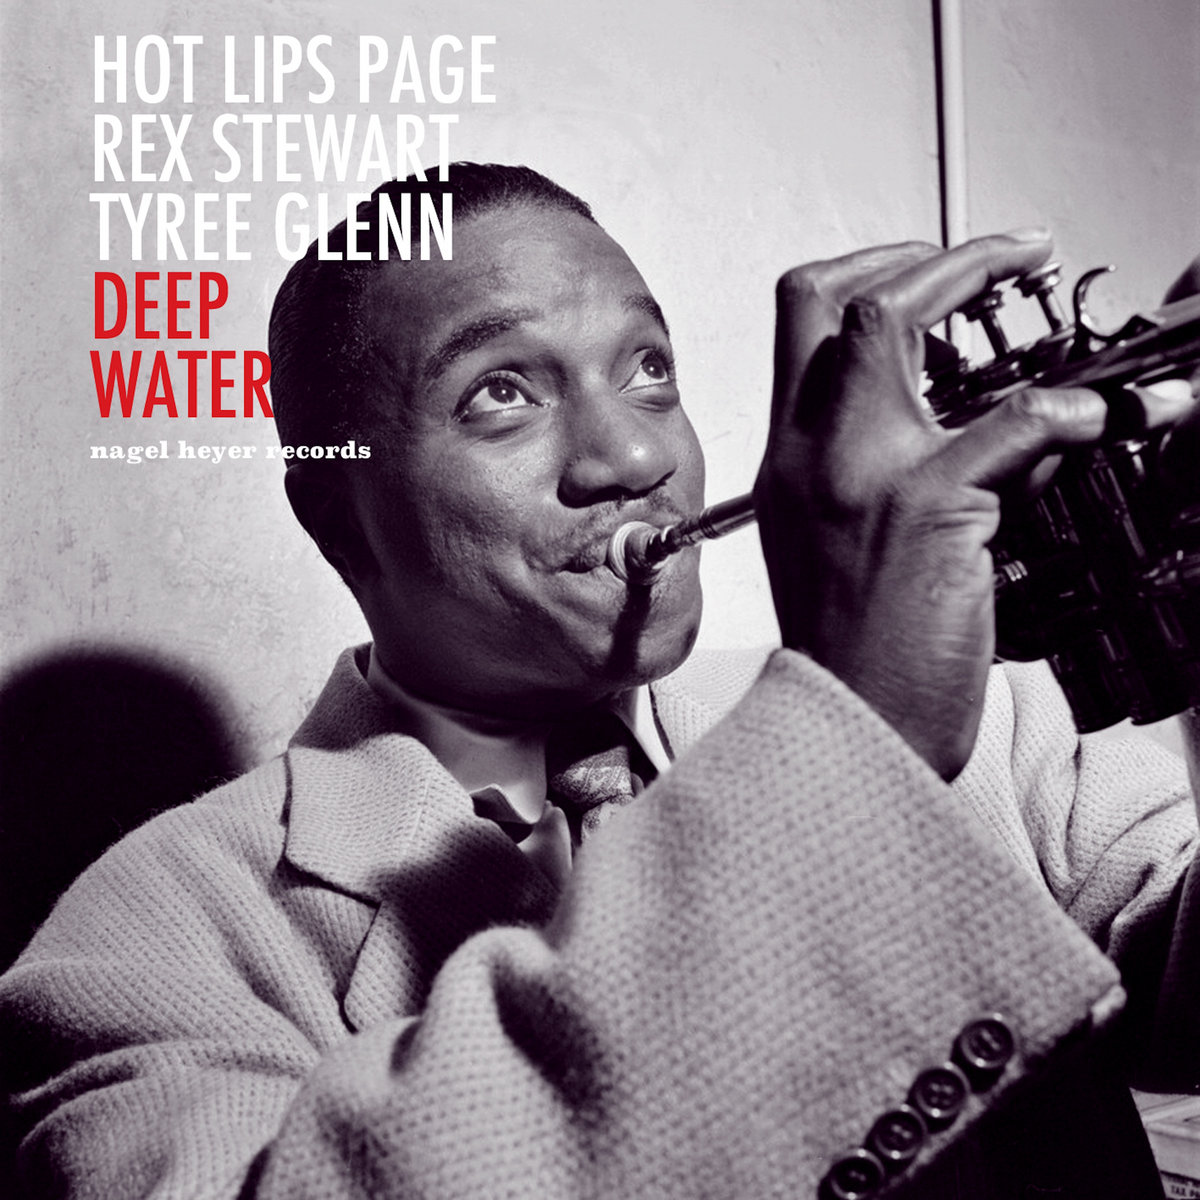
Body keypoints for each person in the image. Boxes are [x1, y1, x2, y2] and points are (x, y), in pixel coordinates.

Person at [2, 163, 1197, 1199]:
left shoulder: (990, 718)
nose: (634, 457)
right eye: (501, 394)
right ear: (337, 519)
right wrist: (852, 754)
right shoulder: (138, 945)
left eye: (648, 369)